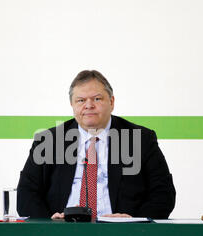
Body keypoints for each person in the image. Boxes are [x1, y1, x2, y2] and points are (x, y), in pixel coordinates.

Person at [17, 70, 175, 220]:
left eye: (97, 99)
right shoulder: (49, 141)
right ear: (72, 105)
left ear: (111, 102)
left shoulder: (140, 139)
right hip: (63, 233)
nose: (89, 105)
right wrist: (50, 223)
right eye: (81, 100)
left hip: (122, 235)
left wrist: (134, 221)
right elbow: (26, 194)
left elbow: (163, 194)